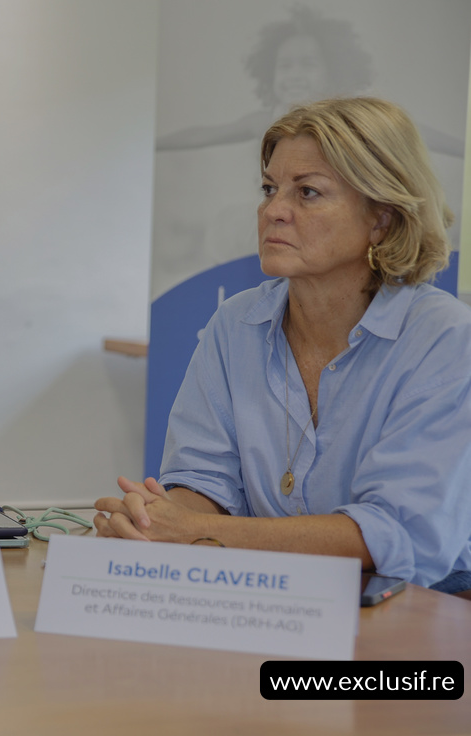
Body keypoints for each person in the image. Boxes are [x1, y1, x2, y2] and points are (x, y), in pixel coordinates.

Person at [97, 97, 471, 595]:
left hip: (425, 606)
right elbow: (204, 483)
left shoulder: (445, 337)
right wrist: (151, 519)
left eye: (308, 192)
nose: (273, 210)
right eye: (270, 188)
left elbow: (394, 535)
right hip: (273, 595)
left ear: (381, 217)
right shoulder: (236, 323)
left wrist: (196, 533)